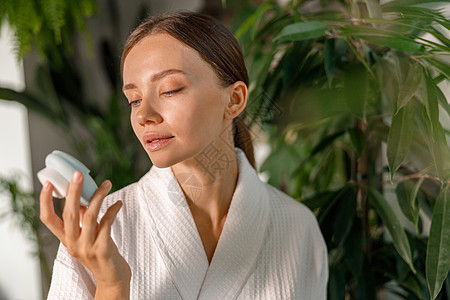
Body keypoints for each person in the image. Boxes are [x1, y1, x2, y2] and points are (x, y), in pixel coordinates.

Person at [40, 11, 328, 300]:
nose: (143, 115)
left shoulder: (297, 227)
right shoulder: (99, 233)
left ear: (234, 99)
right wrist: (113, 286)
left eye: (169, 90)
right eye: (134, 99)